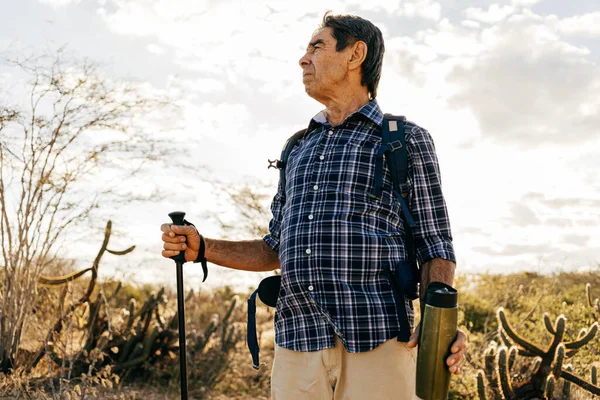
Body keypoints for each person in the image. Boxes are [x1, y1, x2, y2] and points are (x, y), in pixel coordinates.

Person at [161, 12, 467, 400]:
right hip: (298, 340)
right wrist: (202, 248)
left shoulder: (404, 141)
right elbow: (274, 248)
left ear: (355, 54)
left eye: (316, 47)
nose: (303, 59)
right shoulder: (297, 147)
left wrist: (439, 321)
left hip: (380, 338)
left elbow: (435, 243)